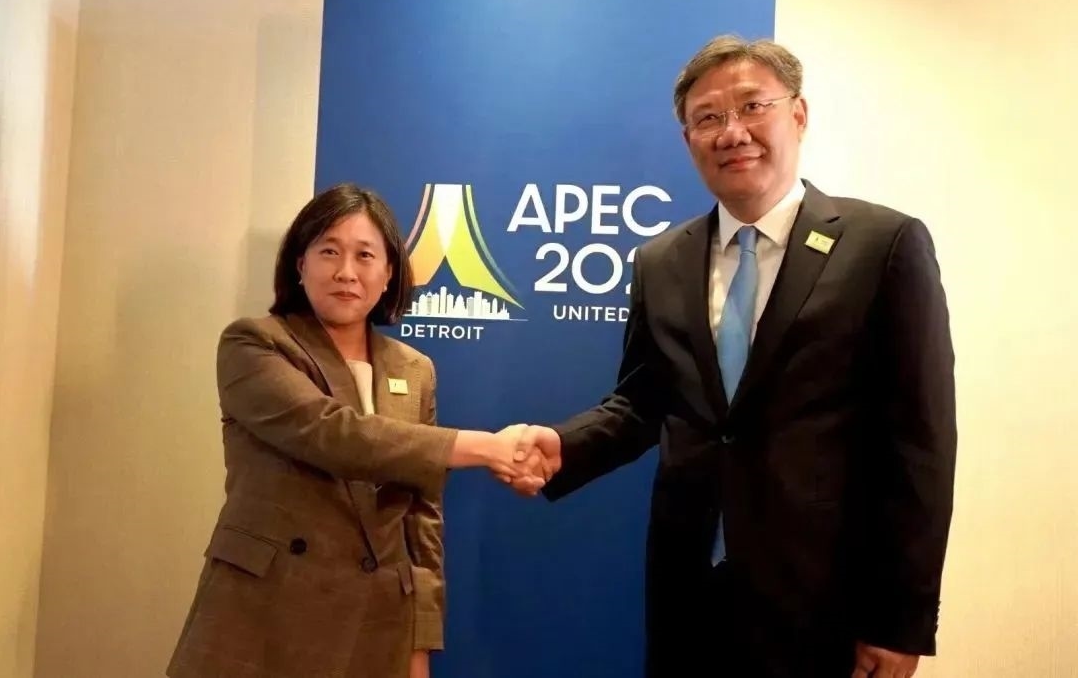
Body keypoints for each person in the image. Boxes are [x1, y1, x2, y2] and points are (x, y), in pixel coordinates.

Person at [507, 35, 957, 678]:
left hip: (826, 603)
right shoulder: (661, 260)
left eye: (752, 106)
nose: (732, 132)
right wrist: (564, 445)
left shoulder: (883, 245)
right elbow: (642, 401)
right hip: (689, 597)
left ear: (798, 114)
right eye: (708, 117)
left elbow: (921, 445)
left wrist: (900, 619)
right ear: (688, 138)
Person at [167, 183, 543, 678]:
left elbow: (422, 521)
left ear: (389, 274)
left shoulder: (415, 369)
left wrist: (419, 644)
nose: (346, 271)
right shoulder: (255, 343)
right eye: (329, 251)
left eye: (365, 255)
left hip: (374, 629)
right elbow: (332, 434)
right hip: (261, 620)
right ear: (300, 264)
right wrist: (486, 447)